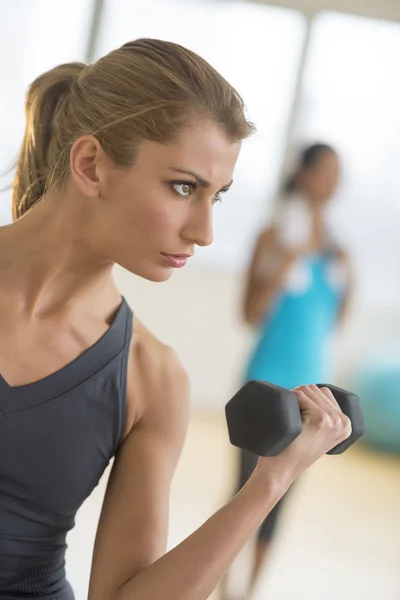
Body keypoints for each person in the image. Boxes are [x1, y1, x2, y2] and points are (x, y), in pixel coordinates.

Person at [0, 40, 351, 600]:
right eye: (184, 187)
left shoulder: (152, 379)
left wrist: (270, 482)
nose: (203, 232)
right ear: (91, 165)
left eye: (218, 196)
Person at [221, 143, 353, 600]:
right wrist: (280, 273)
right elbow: (249, 312)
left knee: (283, 494)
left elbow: (332, 322)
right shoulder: (272, 237)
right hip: (266, 383)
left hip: (314, 391)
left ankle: (250, 592)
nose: (333, 183)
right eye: (326, 172)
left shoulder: (339, 252)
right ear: (303, 175)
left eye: (340, 174)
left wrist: (349, 278)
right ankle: (222, 585)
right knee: (246, 488)